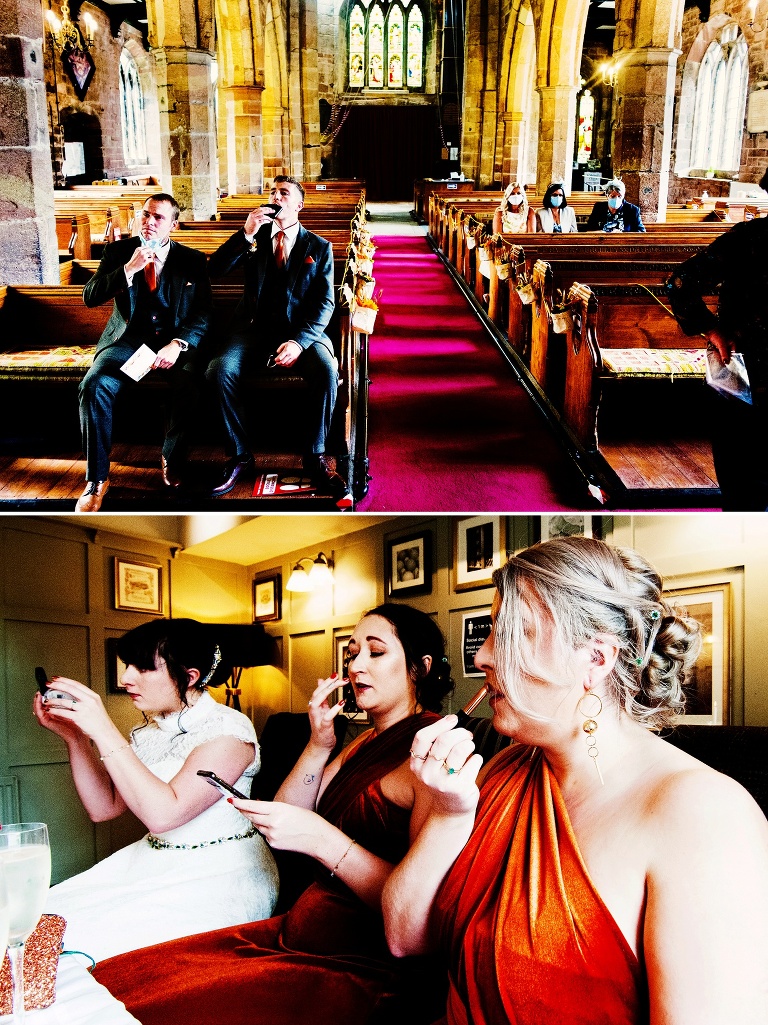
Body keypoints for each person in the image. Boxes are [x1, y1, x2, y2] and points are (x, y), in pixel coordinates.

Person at [384, 536, 768, 1025]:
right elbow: (403, 937)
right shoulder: (504, 769)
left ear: (596, 659)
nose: (481, 658)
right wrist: (446, 813)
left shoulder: (706, 815)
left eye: (509, 634)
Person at [92, 603, 454, 1025]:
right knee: (129, 975)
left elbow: (418, 918)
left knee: (160, 1003)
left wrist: (321, 838)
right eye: (352, 654)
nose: (356, 667)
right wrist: (319, 743)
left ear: (420, 668)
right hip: (299, 931)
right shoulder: (361, 742)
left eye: (375, 653)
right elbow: (288, 812)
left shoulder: (434, 752)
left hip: (360, 960)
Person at [36, 619, 278, 962]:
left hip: (220, 872)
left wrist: (103, 728)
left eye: (143, 667)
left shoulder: (229, 732)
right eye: (127, 665)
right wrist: (74, 737)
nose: (125, 679)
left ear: (190, 676)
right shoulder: (147, 731)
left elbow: (165, 814)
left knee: (100, 947)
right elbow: (104, 808)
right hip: (153, 860)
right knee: (49, 916)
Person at [205, 175, 351, 508]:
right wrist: (246, 232)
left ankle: (315, 456)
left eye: (283, 193)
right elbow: (215, 269)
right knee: (218, 370)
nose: (275, 197)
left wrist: (299, 342)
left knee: (328, 371)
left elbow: (325, 304)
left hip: (302, 334)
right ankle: (240, 455)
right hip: (252, 331)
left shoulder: (319, 247)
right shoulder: (254, 241)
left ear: (299, 204)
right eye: (272, 192)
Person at [77, 193, 212, 512]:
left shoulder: (192, 259)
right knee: (94, 386)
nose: (150, 222)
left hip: (172, 342)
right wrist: (127, 269)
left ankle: (172, 456)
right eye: (146, 215)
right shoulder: (117, 252)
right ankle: (97, 479)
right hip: (128, 342)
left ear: (174, 225)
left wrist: (178, 344)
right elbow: (89, 297)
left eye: (159, 218)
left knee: (192, 384)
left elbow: (204, 313)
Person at [667, 166, 768, 510]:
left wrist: (713, 328)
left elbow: (680, 283)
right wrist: (714, 329)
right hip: (745, 378)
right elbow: (681, 282)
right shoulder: (749, 239)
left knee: (746, 487)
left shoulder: (750, 237)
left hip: (746, 379)